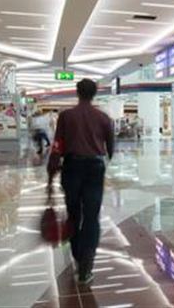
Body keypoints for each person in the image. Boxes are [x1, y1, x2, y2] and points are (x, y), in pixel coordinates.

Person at [48, 79, 114, 285]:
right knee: (92, 216)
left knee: (74, 214)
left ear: (77, 93)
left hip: (72, 168)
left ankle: (77, 255)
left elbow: (58, 145)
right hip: (95, 169)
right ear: (94, 94)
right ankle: (87, 264)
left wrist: (51, 172)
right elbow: (110, 148)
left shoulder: (66, 116)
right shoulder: (103, 118)